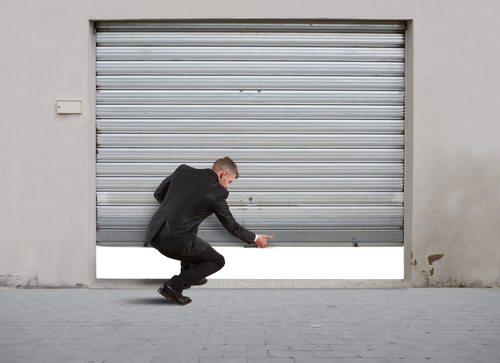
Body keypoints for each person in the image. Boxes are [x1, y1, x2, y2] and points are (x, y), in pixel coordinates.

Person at [146, 157, 273, 305]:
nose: (227, 187)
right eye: (229, 182)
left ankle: (189, 274)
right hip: (174, 242)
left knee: (191, 228)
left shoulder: (183, 171)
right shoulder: (217, 193)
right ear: (223, 175)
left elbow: (158, 194)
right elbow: (232, 226)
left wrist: (177, 211)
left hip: (154, 234)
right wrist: (255, 237)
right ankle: (173, 286)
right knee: (217, 261)